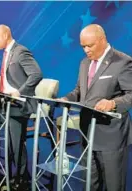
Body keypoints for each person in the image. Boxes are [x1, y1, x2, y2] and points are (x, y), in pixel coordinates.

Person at [60, 24, 132, 191]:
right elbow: (79, 91)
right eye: (83, 46)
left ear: (102, 40)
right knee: (90, 184)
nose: (86, 50)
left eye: (89, 45)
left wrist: (113, 103)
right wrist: (65, 99)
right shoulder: (85, 63)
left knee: (114, 185)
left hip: (111, 136)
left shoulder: (122, 62)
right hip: (87, 133)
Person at [0, 24, 42, 190]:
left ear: (6, 35)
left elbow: (36, 74)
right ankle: (20, 175)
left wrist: (19, 93)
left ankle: (21, 180)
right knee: (12, 145)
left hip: (19, 106)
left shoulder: (20, 51)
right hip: (7, 104)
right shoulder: (8, 53)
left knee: (16, 144)